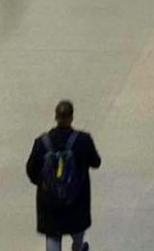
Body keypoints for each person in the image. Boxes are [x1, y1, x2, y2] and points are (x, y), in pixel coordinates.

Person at [26, 100, 102, 251]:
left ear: (55, 117)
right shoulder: (83, 140)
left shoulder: (41, 142)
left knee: (53, 235)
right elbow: (96, 162)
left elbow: (31, 171)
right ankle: (78, 247)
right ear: (71, 117)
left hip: (50, 202)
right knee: (77, 231)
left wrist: (48, 183)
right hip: (76, 200)